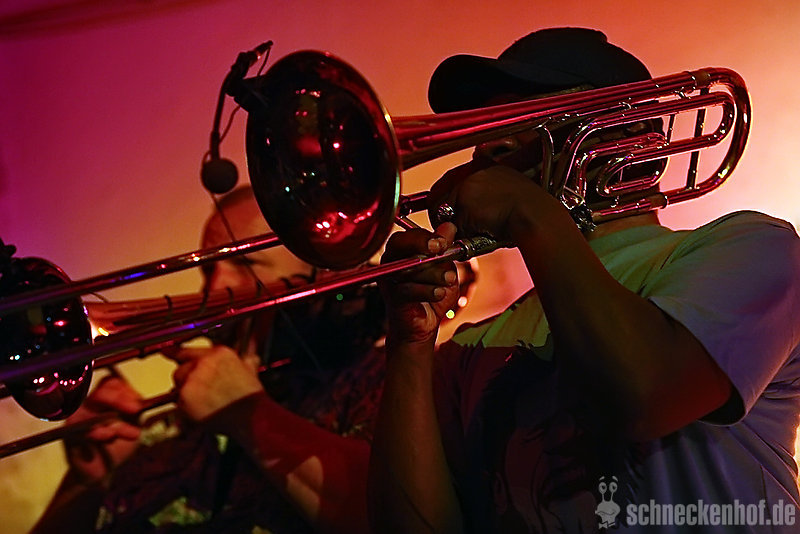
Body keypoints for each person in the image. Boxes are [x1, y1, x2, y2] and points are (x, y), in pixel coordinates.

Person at [368, 28, 800, 533]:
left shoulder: (754, 247)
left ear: (629, 134)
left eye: (526, 118)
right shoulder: (470, 344)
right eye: (486, 124)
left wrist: (532, 213)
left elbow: (647, 396)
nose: (492, 143)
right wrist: (409, 344)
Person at [31, 185, 385, 534]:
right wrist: (86, 481)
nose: (214, 288)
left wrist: (249, 414)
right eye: (208, 270)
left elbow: (393, 515)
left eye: (245, 263)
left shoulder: (384, 379)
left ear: (324, 275)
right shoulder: (169, 428)